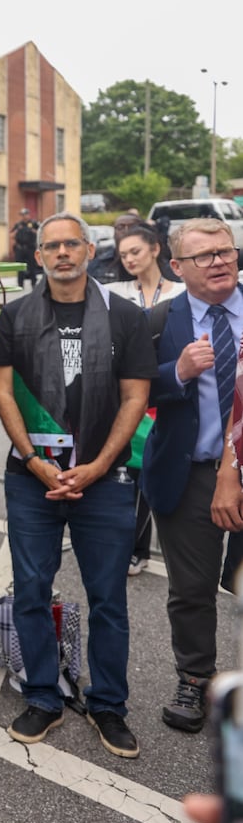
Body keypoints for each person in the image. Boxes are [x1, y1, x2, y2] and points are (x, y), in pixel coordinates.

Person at [0, 211, 154, 759]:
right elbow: (4, 393)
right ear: (38, 257)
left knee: (108, 598)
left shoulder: (126, 317)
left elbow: (135, 398)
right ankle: (43, 695)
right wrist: (35, 461)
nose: (61, 253)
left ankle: (108, 706)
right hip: (32, 479)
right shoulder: (14, 316)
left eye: (71, 244)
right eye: (50, 246)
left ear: (89, 251)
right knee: (32, 592)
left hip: (103, 481)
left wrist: (100, 465)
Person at [142, 216, 243, 735]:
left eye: (225, 250)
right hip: (189, 475)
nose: (221, 261)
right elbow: (133, 393)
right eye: (205, 256)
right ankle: (194, 678)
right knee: (192, 589)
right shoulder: (161, 321)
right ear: (177, 267)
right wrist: (177, 372)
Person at [105, 223, 177, 577]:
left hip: (170, 394)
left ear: (155, 249)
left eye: (136, 251)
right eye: (123, 255)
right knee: (129, 472)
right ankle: (132, 547)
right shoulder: (113, 291)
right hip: (129, 396)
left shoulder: (180, 292)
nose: (130, 259)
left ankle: (150, 549)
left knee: (156, 473)